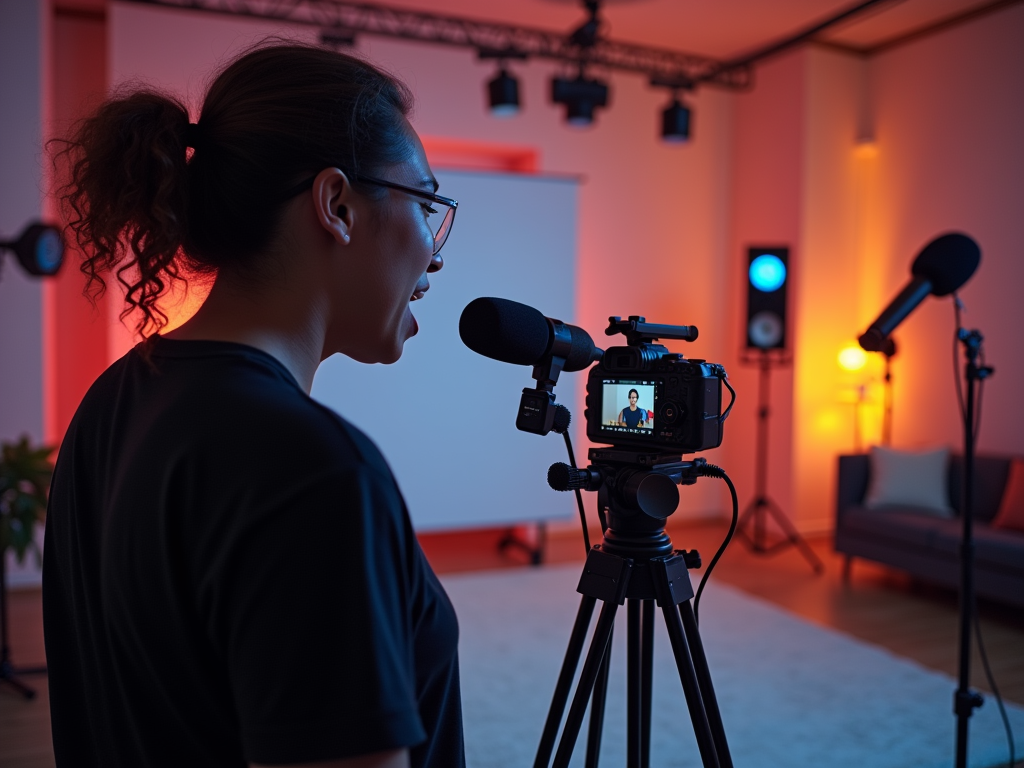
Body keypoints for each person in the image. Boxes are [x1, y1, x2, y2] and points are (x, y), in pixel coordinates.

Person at [43, 44, 463, 768]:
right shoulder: (316, 474)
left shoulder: (112, 401)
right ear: (336, 205)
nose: (435, 252)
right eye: (426, 204)